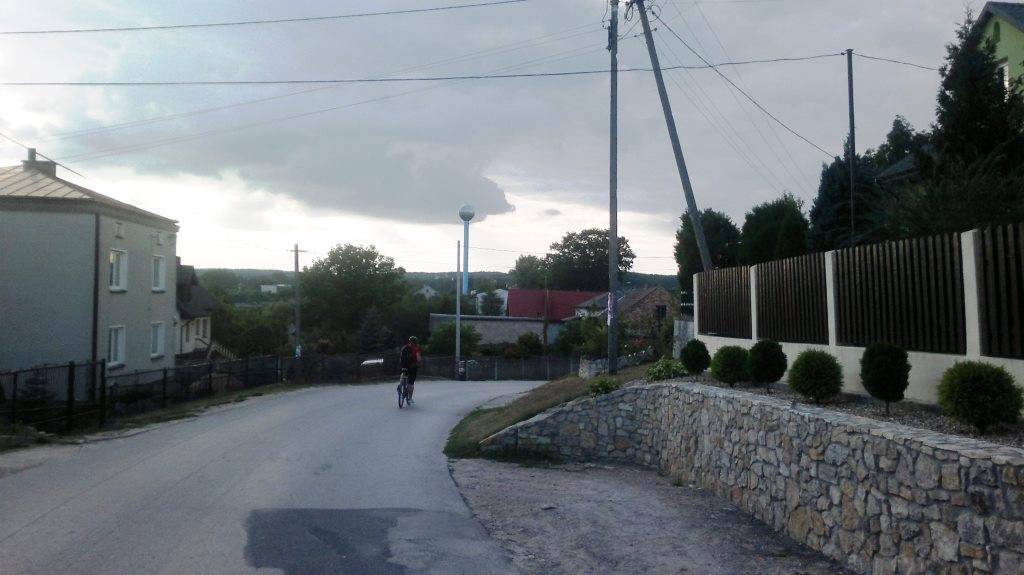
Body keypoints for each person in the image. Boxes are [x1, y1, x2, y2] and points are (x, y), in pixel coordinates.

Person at [399, 336, 422, 403]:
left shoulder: (404, 347)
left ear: (409, 341)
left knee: (403, 373)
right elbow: (418, 359)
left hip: (403, 365)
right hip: (412, 367)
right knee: (411, 383)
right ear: (416, 342)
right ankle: (410, 398)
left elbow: (401, 357)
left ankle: (400, 385)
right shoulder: (416, 348)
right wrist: (419, 360)